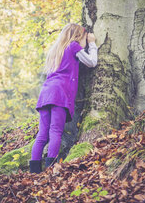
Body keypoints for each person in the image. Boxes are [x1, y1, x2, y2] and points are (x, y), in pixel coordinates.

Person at [29, 23, 98, 174]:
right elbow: (92, 62)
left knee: (42, 134)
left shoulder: (56, 50)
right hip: (59, 94)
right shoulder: (73, 46)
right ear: (78, 36)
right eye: (84, 37)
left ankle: (33, 171)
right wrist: (92, 44)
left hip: (46, 93)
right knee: (55, 131)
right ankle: (50, 168)